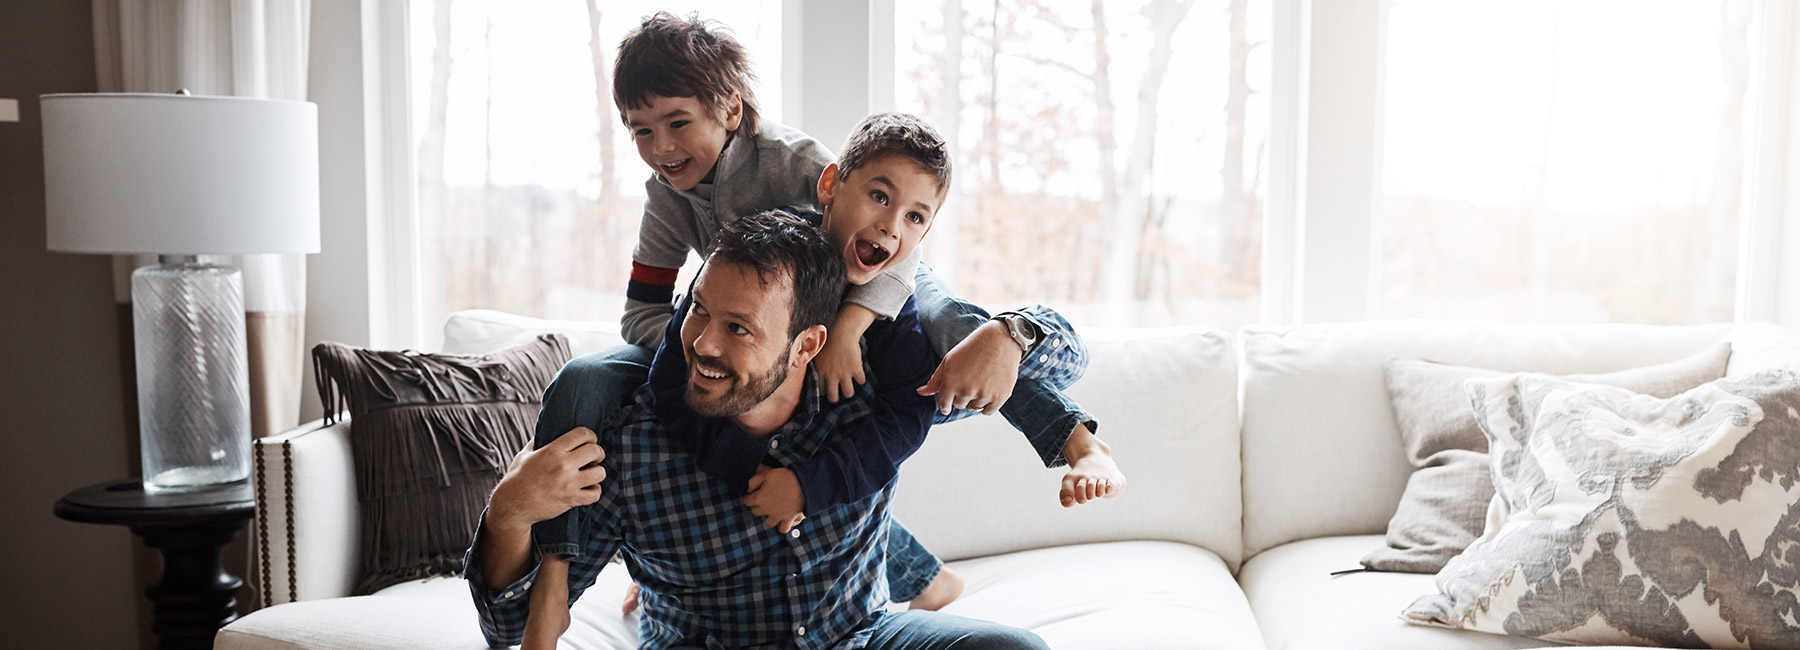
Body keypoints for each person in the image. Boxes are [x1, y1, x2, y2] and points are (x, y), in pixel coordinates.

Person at [537, 9, 1125, 616]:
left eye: (678, 123)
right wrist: (708, 340)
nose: (661, 148)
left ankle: (1076, 439)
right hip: (772, 351)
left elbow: (882, 234)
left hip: (876, 293)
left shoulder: (795, 163)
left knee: (955, 328)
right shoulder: (665, 198)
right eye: (640, 131)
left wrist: (852, 324)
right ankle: (577, 569)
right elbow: (642, 313)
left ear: (731, 110)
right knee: (589, 381)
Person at [466, 212, 1050, 650]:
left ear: (808, 346)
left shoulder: (873, 397)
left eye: (739, 329)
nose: (702, 345)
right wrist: (507, 515)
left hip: (859, 635)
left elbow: (1064, 368)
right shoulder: (631, 444)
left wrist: (1011, 336)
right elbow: (511, 626)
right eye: (698, 311)